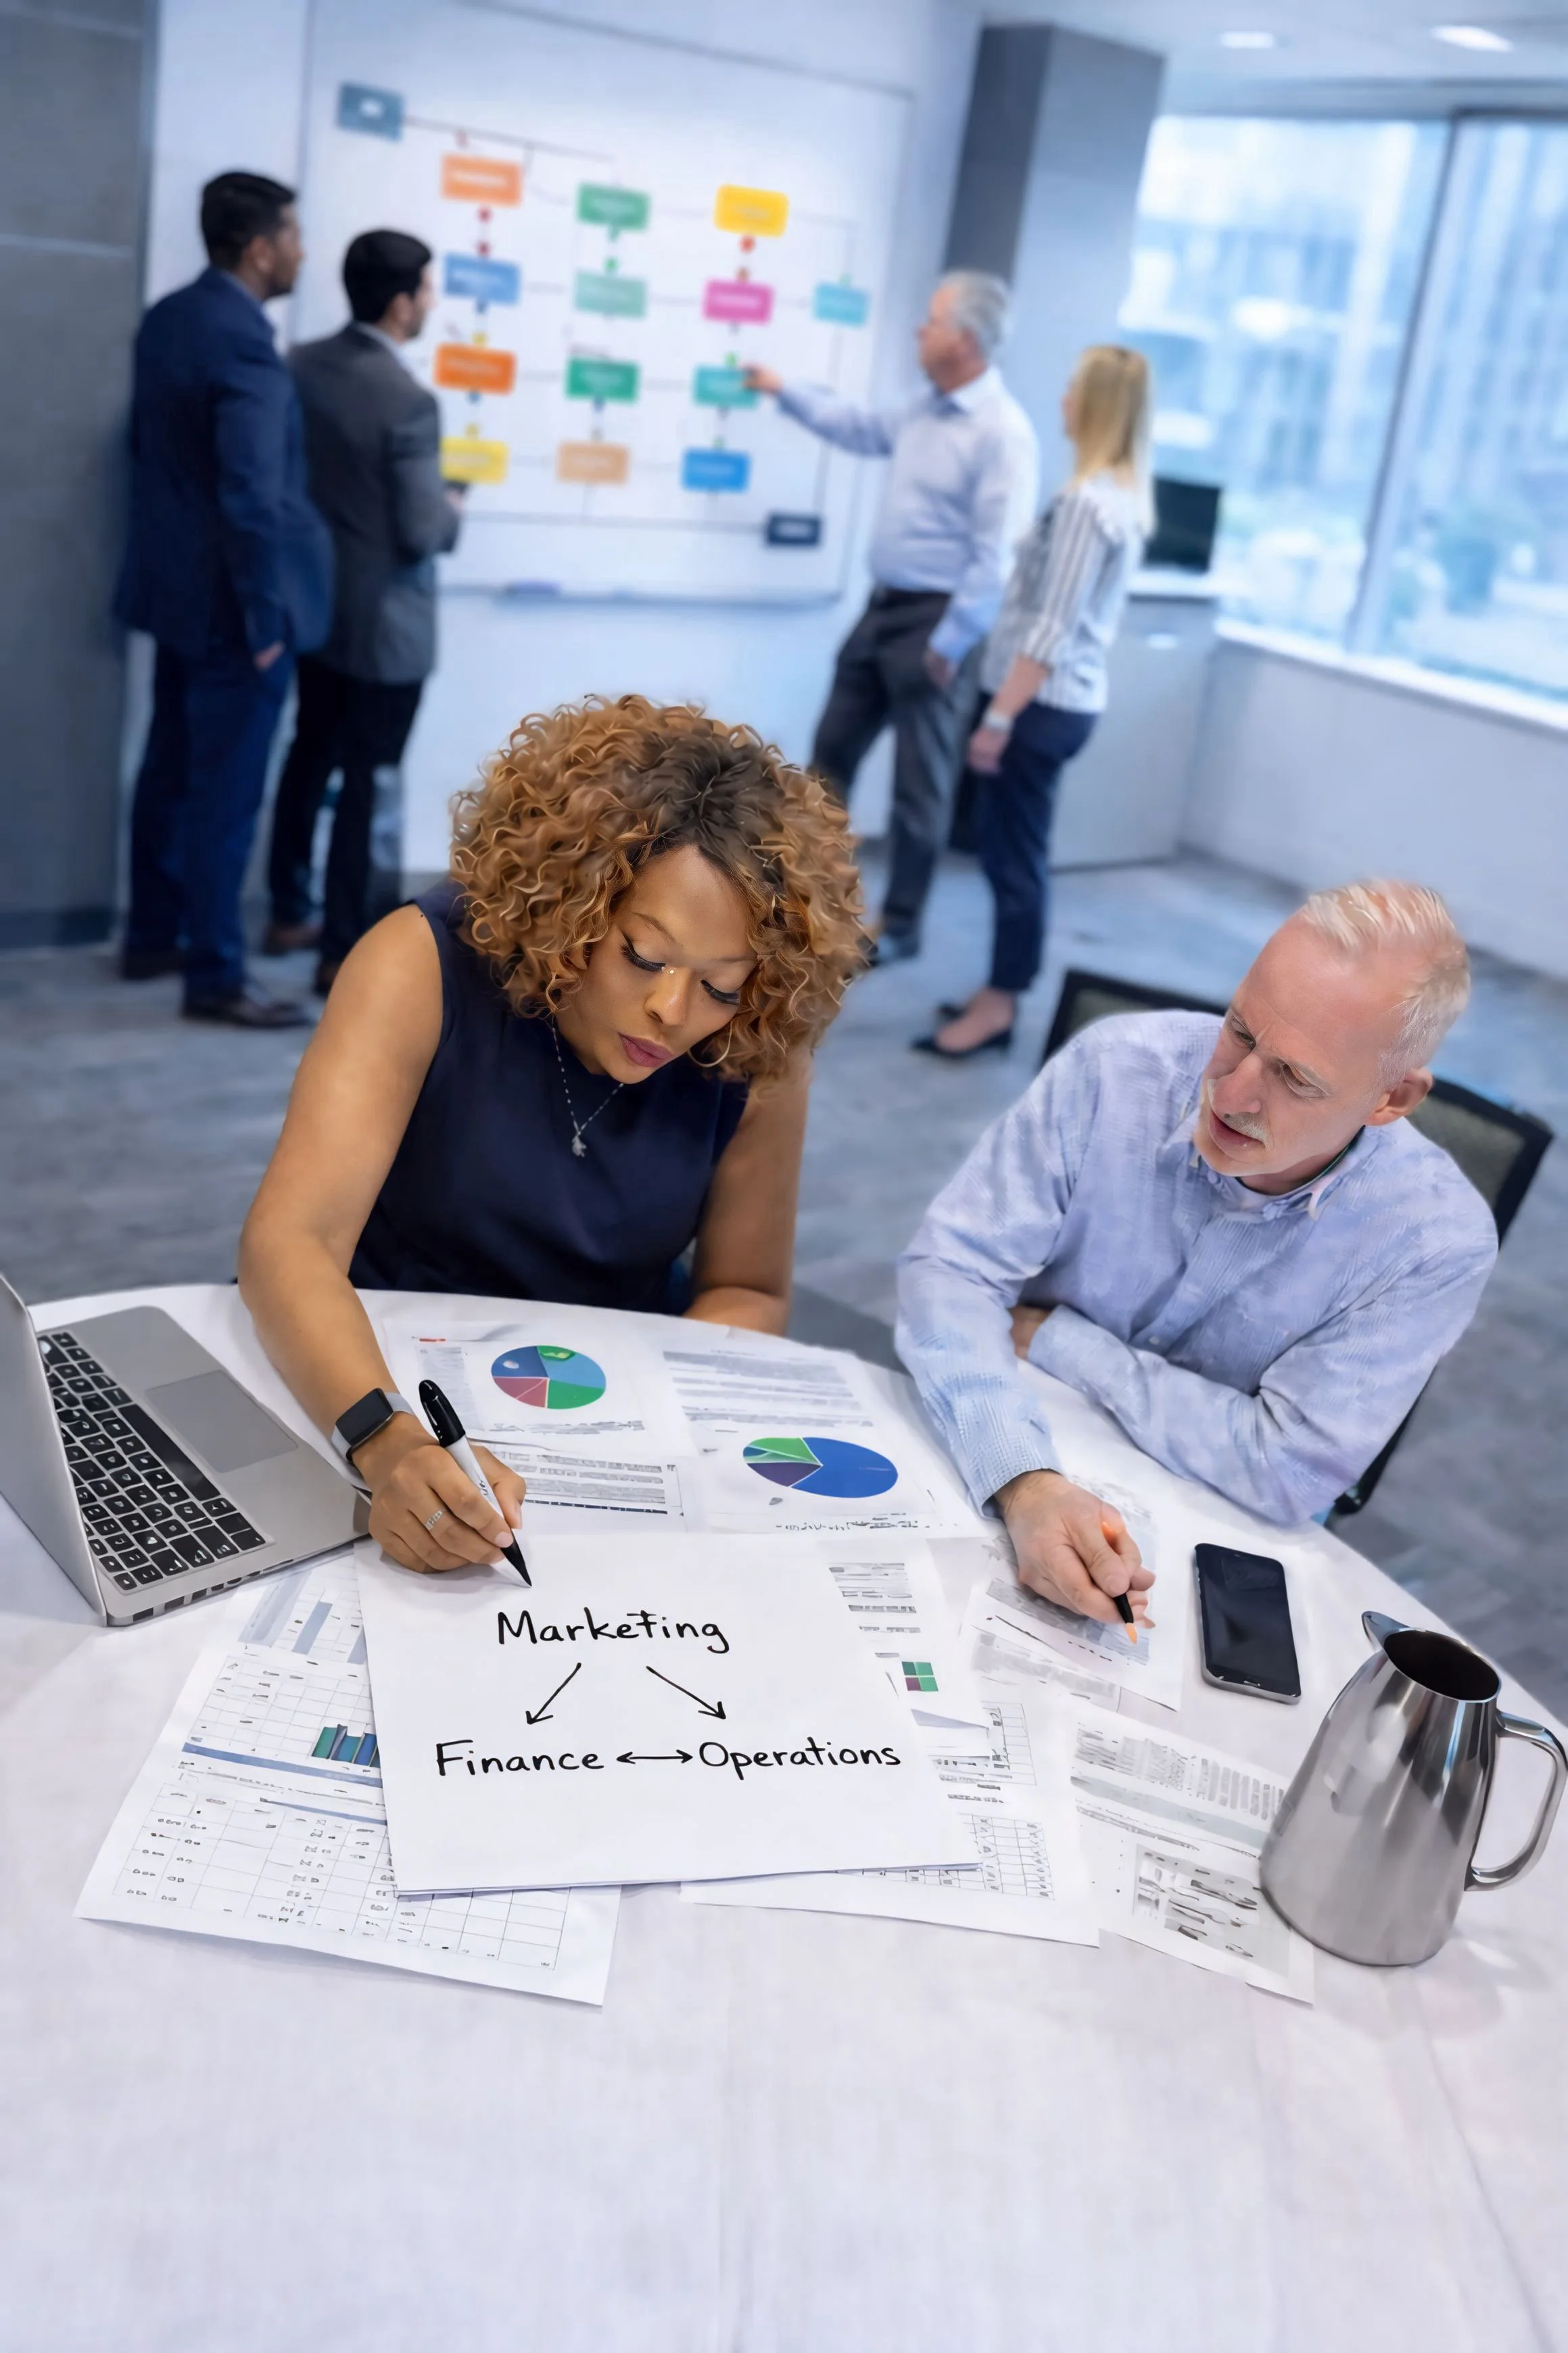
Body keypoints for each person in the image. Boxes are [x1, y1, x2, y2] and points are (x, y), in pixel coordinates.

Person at [239, 696, 864, 1574]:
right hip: (371, 1366)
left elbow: (747, 1290)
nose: (671, 1013)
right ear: (571, 906)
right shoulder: (418, 965)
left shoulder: (754, 1038)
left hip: (605, 1409)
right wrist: (383, 1440)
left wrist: (642, 1437)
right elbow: (289, 1243)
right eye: (642, 957)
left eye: (720, 985)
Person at [896, 882, 1498, 1633]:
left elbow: (1289, 1469)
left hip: (1212, 1542)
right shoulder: (1116, 1070)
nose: (1231, 1093)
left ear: (1393, 1099)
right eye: (1242, 1031)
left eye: (1296, 1078)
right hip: (1014, 1431)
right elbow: (949, 1270)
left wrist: (1056, 1336)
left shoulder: (1435, 1240)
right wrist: (1024, 1479)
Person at [743, 271, 1037, 965]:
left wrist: (953, 640)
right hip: (882, 611)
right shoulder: (922, 409)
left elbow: (996, 556)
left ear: (965, 338)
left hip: (936, 624)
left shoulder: (1002, 433)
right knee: (829, 760)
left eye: (931, 321)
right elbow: (858, 427)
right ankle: (806, 902)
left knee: (919, 785)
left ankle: (900, 926)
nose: (918, 331)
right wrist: (786, 391)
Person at [116, 173, 333, 1028]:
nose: (302, 250)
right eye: (293, 234)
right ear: (260, 248)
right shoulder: (244, 344)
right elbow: (250, 494)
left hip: (172, 594)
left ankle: (153, 936)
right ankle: (214, 974)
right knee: (226, 794)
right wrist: (266, 621)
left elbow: (152, 456)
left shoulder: (169, 318)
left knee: (169, 771)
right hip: (235, 610)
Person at [918, 345, 1152, 1060]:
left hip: (1037, 707)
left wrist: (998, 717)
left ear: (1098, 405)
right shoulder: (1117, 496)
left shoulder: (1087, 505)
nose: (1063, 399)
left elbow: (1048, 626)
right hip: (1049, 704)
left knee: (1013, 859)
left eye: (1075, 388)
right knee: (1007, 852)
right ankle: (999, 991)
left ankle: (999, 1005)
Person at [264, 229, 464, 996]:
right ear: (401, 299)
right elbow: (422, 530)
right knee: (368, 779)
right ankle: (342, 948)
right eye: (428, 288)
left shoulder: (300, 367)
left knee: (309, 756)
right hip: (386, 629)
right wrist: (453, 507)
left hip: (317, 610)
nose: (432, 301)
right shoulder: (409, 402)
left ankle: (288, 910)